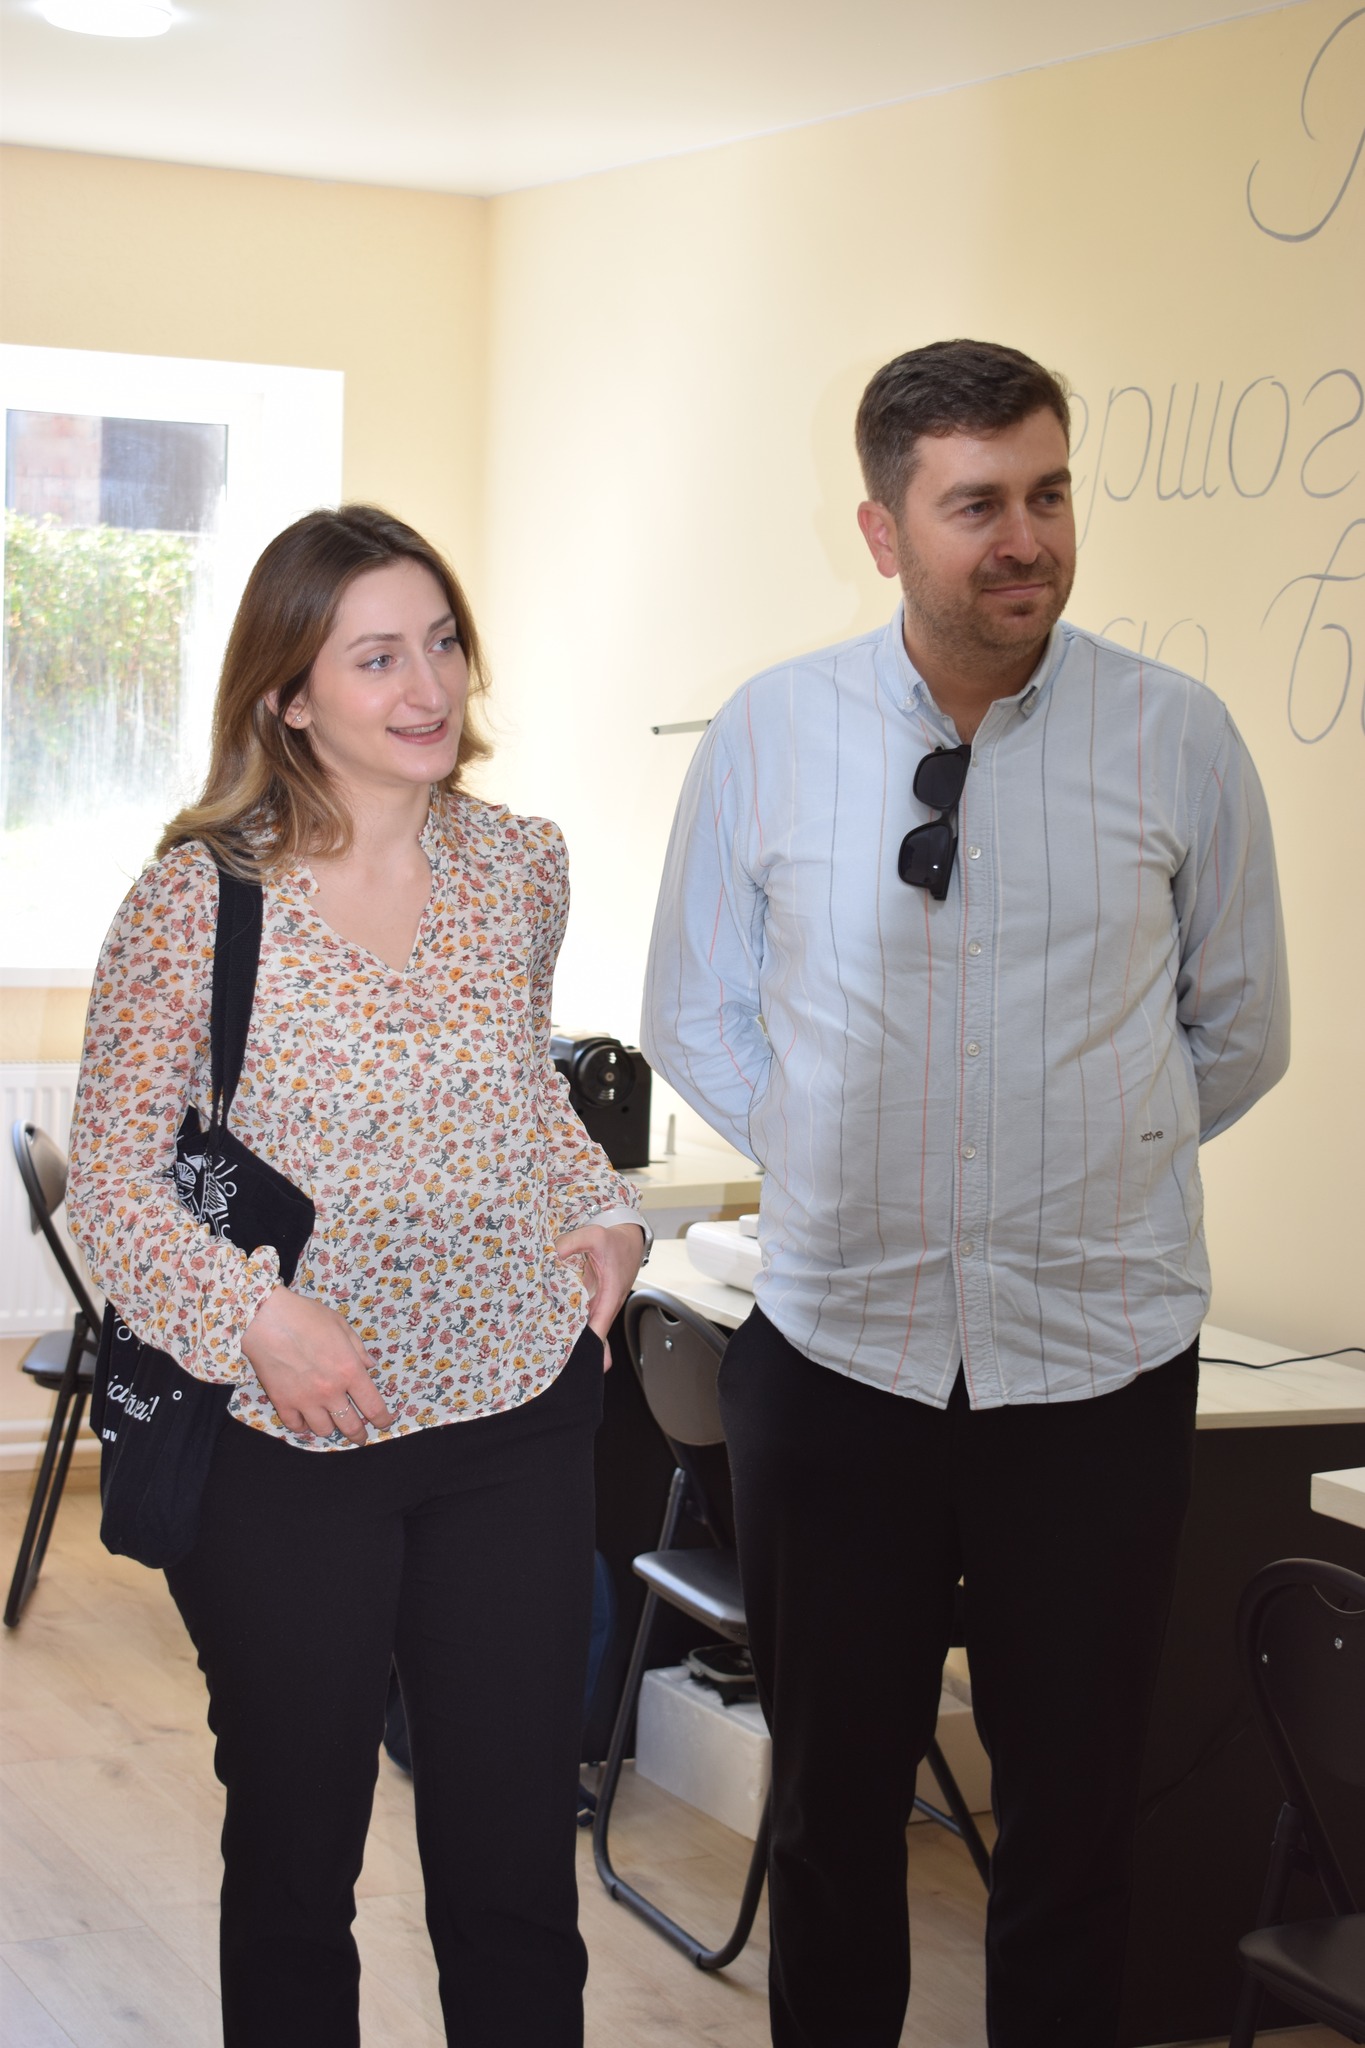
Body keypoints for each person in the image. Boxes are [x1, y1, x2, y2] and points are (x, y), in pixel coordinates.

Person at [641, 338, 1289, 2048]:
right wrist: (835, 1152)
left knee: (1073, 1826)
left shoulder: (1175, 736)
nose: (1026, 539)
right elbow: (695, 1007)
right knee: (831, 1814)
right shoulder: (772, 732)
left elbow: (1238, 1026)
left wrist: (1092, 1162)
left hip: (1095, 1368)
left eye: (1049, 494)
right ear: (881, 531)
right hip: (837, 1357)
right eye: (977, 504)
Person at [67, 504, 647, 2048]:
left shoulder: (518, 864)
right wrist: (254, 1317)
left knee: (514, 1862)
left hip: (514, 1415)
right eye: (377, 655)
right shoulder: (196, 899)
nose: (428, 684)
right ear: (289, 694)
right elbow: (110, 1182)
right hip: (293, 1444)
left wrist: (603, 1208)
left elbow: (519, 1092)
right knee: (294, 1856)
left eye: (441, 643)